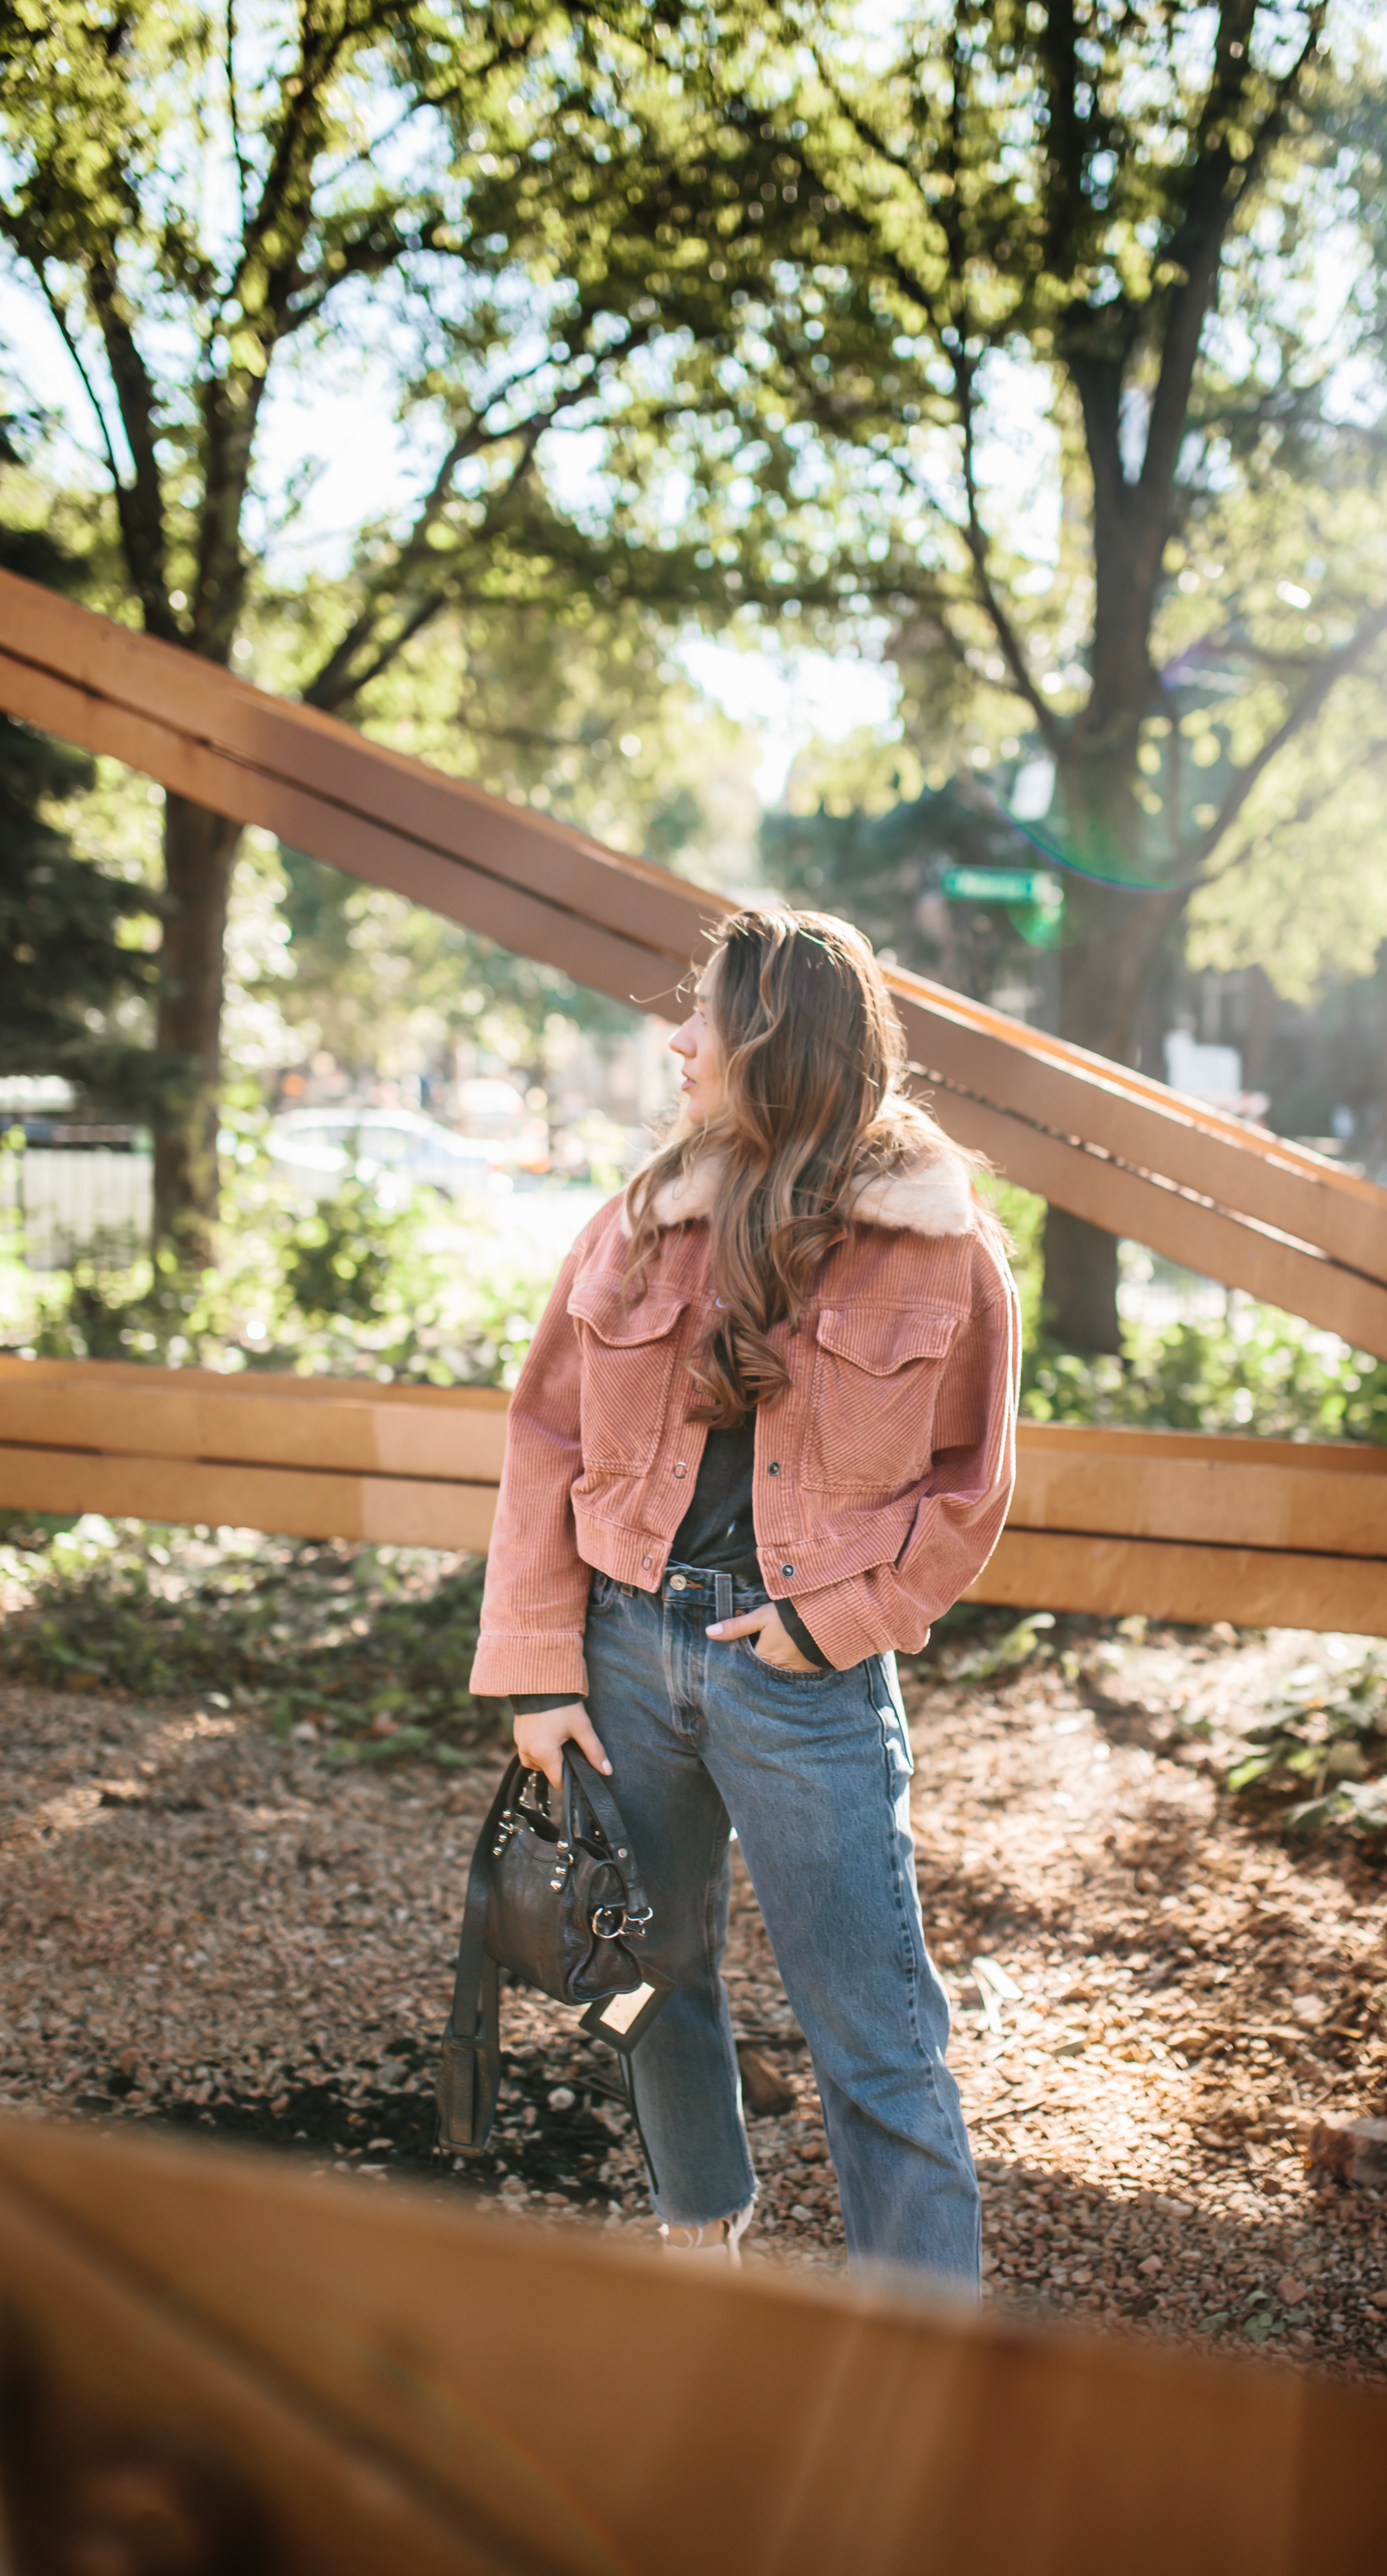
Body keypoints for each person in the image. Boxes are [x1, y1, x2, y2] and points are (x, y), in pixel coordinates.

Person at [470, 908, 1020, 2293]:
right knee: (649, 1975)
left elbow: (970, 1489)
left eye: (700, 1017)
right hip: (623, 1650)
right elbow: (544, 1437)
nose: (674, 1038)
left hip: (807, 1682)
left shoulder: (941, 1250)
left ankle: (921, 2342)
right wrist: (541, 1668)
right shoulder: (637, 1223)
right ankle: (699, 2240)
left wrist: (835, 1625)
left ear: (772, 1044)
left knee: (877, 2031)